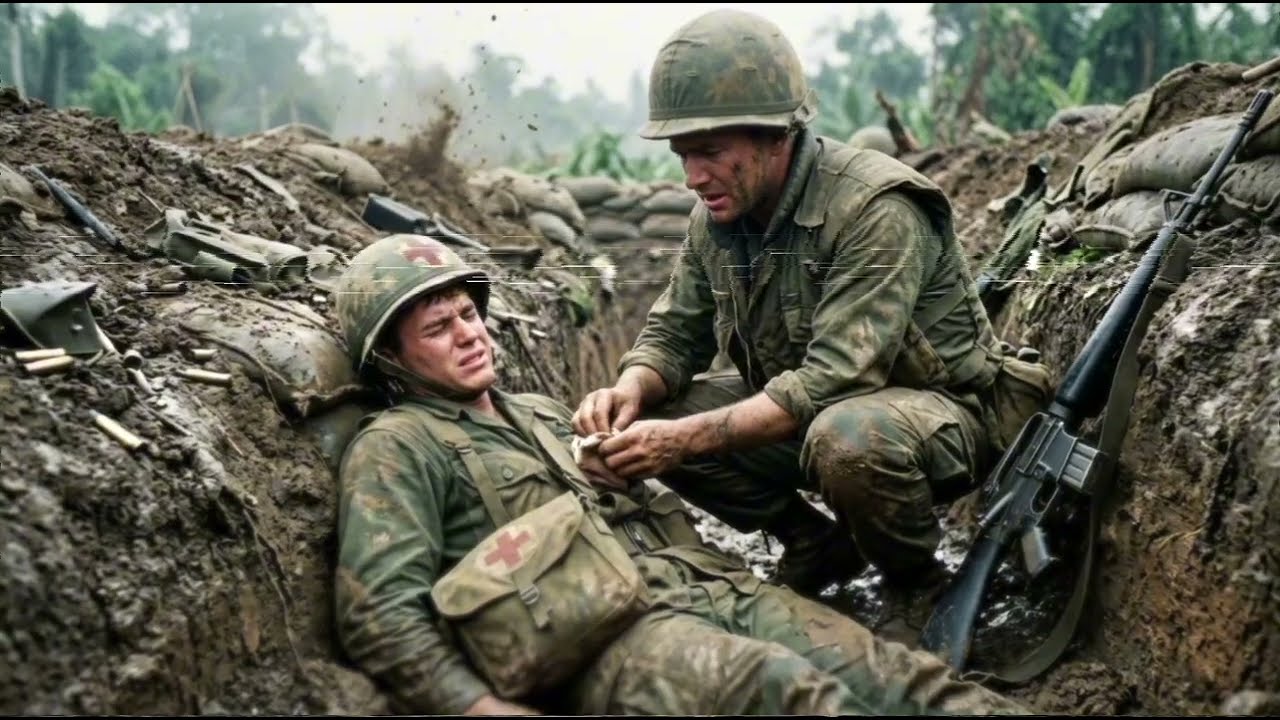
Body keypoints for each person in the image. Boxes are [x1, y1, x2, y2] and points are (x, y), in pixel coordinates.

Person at [329, 233, 1031, 715]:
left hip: (708, 589)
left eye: (468, 313)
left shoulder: (538, 412)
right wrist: (479, 707)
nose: (470, 334)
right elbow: (378, 615)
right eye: (438, 328)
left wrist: (609, 467)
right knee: (786, 692)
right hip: (608, 644)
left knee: (901, 681)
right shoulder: (398, 447)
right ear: (391, 358)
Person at [573, 7, 1048, 623]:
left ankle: (918, 585)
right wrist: (629, 390)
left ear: (777, 136)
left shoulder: (876, 208)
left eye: (710, 151)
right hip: (806, 415)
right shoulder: (716, 219)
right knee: (651, 418)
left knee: (846, 437)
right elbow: (674, 332)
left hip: (939, 417)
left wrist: (682, 441)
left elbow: (831, 381)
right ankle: (815, 544)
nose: (692, 177)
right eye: (681, 154)